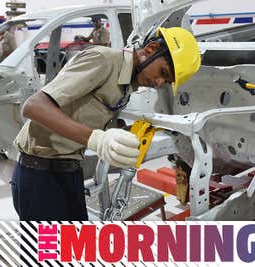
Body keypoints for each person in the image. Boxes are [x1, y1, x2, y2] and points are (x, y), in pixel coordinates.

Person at [11, 27, 201, 221]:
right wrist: (97, 139)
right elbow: (33, 106)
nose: (159, 82)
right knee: (48, 250)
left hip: (69, 170)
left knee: (73, 247)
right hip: (40, 176)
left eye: (166, 81)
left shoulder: (126, 84)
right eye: (163, 72)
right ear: (151, 49)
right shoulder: (104, 60)